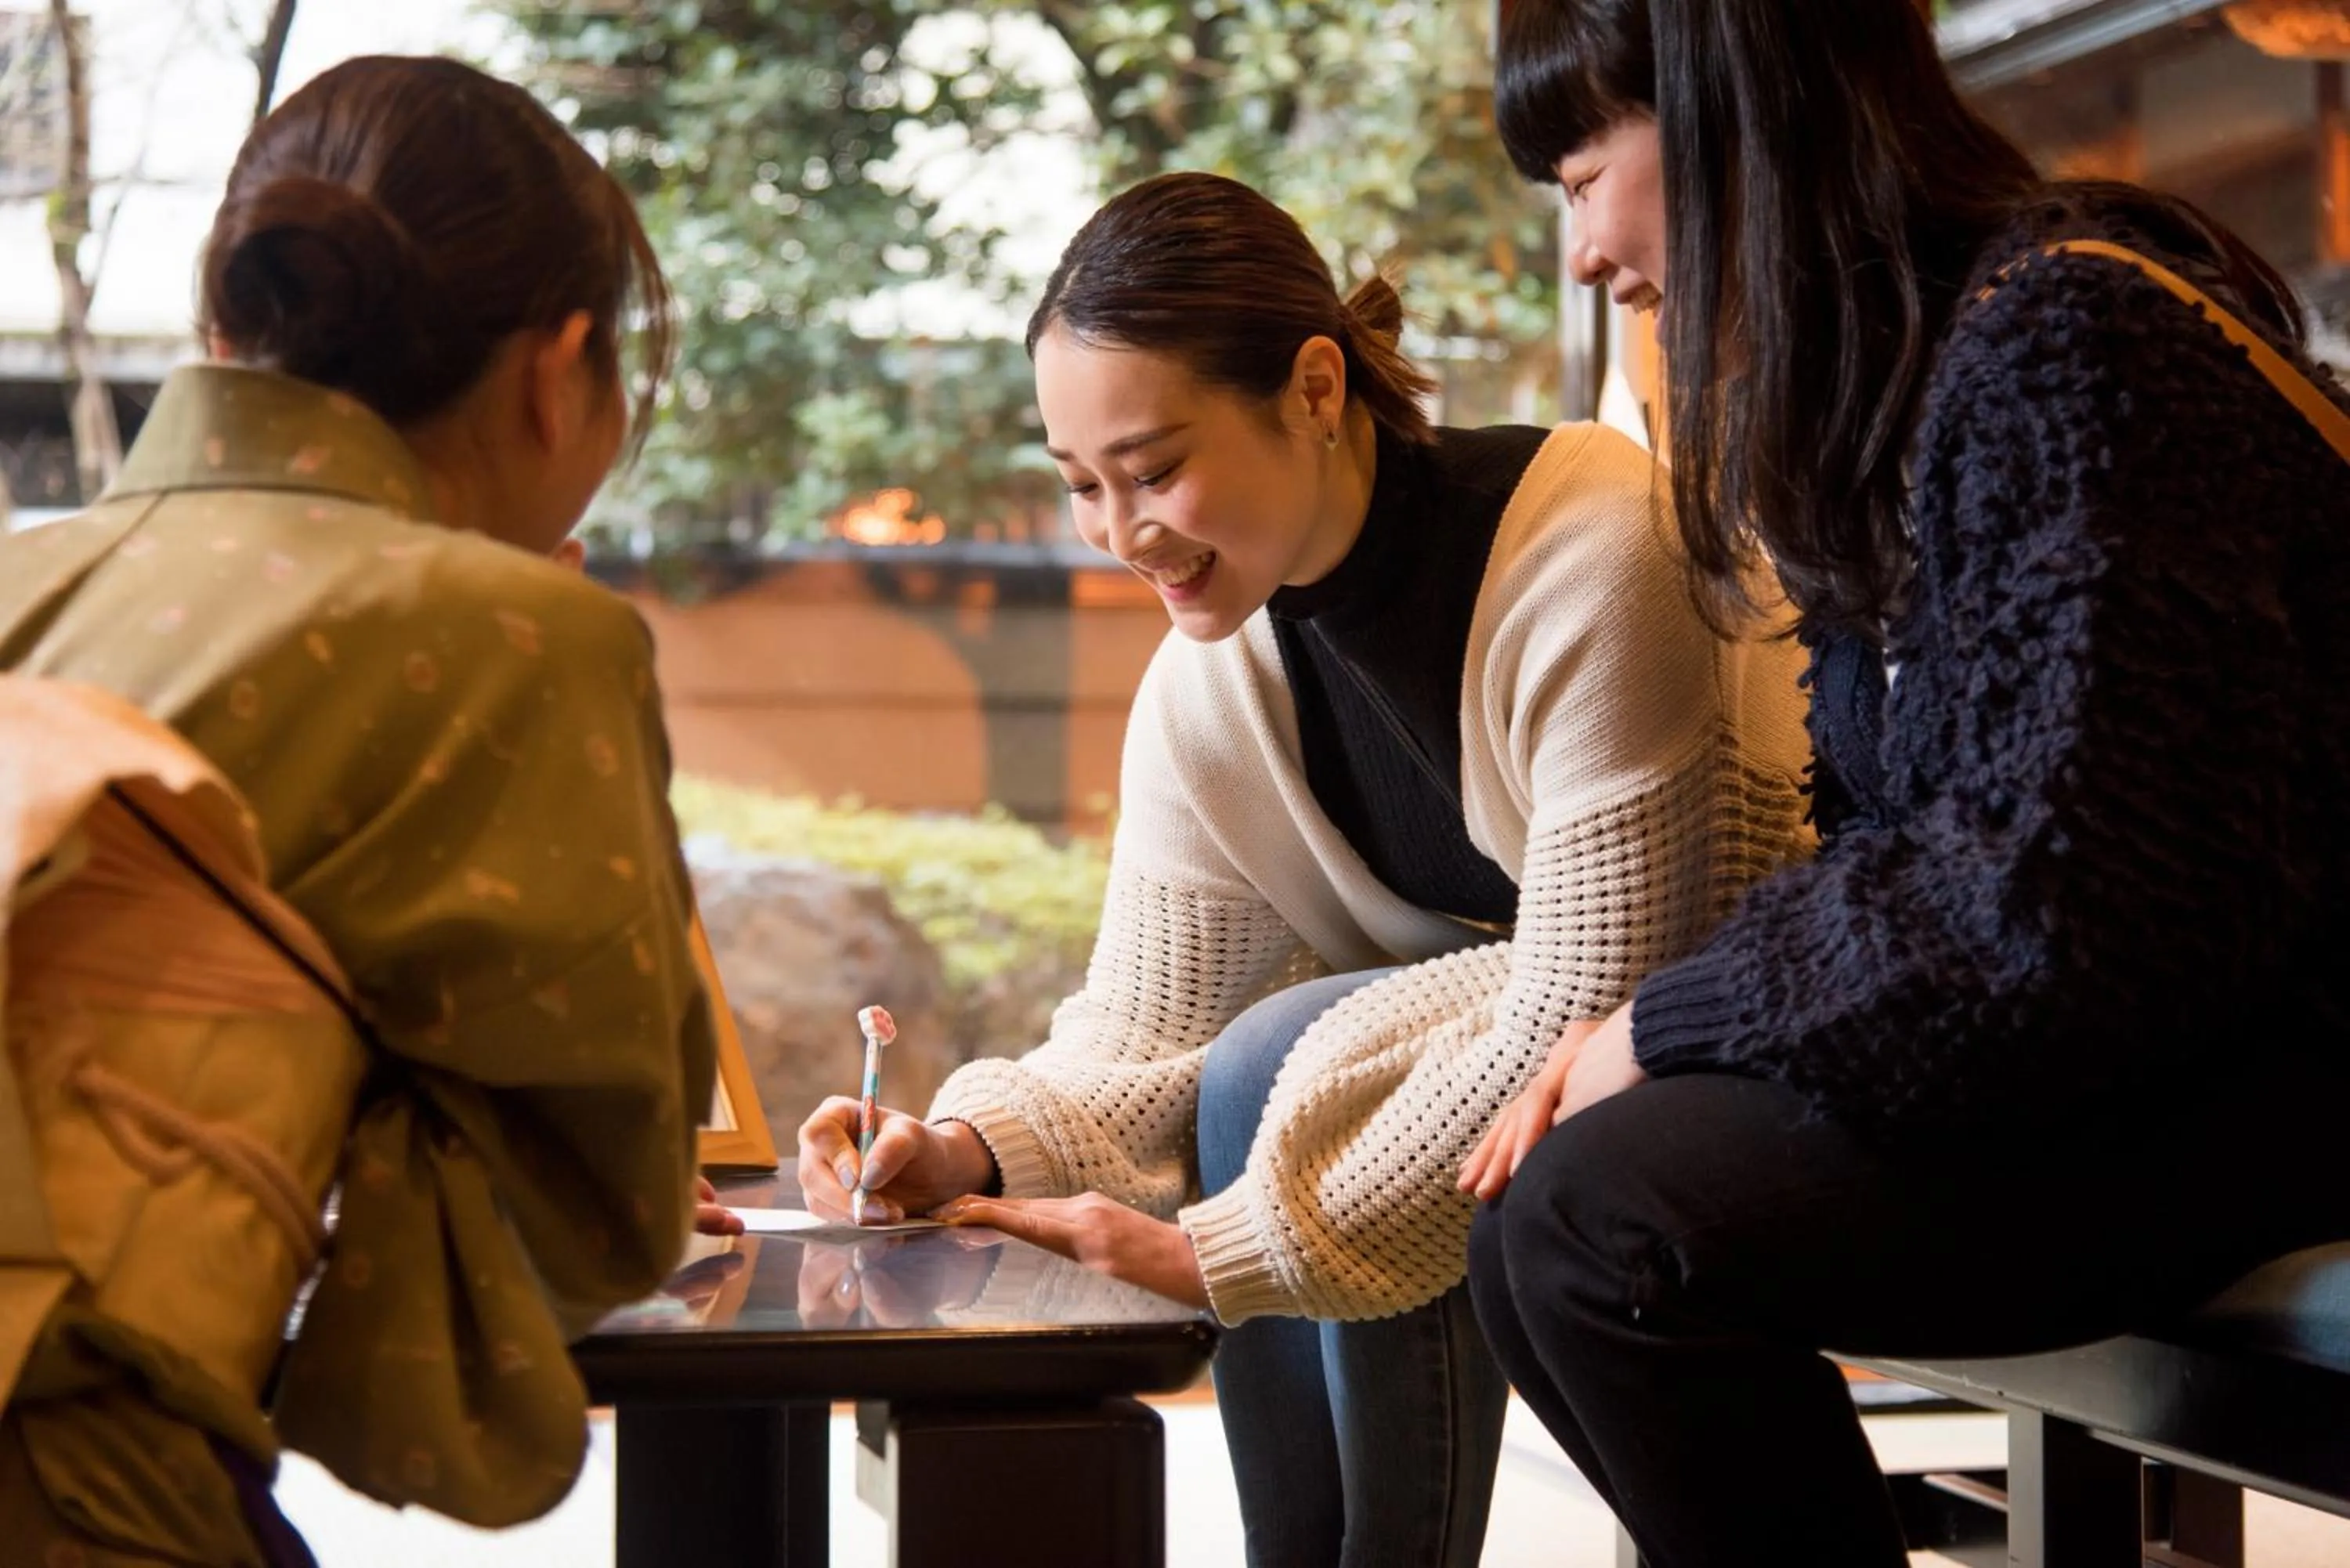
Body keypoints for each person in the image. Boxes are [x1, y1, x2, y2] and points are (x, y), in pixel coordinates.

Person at [796, 170, 1816, 1568]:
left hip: (1761, 1030)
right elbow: (1143, 1028)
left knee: (1284, 1048)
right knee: (1251, 1053)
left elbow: (1590, 1007)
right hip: (1522, 1098)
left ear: (1317, 389)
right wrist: (964, 1148)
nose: (1123, 532)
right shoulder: (1213, 682)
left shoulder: (1599, 555)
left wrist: (1231, 1247)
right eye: (1083, 485)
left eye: (1156, 469)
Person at [1465, 4, 2350, 1565]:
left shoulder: (2070, 341)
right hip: (2168, 1049)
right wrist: (1668, 1037)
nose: (1588, 253)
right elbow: (1919, 855)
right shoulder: (1919, 380)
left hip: (2278, 1063)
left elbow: (2066, 898)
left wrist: (1661, 1025)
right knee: (1544, 1220)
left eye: (1587, 176)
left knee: (1602, 1224)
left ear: (1737, 108)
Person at [0, 55, 723, 1566]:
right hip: (80, 1477)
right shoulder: (514, 637)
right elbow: (602, 1208)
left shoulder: (24, 583)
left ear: (231, 329)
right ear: (558, 369)